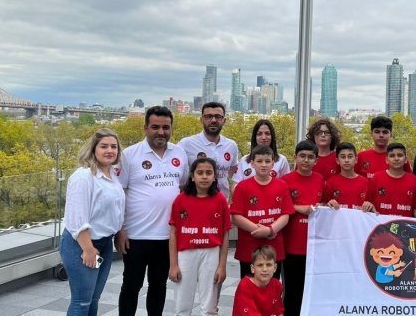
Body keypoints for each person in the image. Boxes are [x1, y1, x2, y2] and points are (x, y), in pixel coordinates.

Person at [116, 106, 189, 316]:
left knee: (158, 286)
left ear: (171, 128)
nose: (161, 132)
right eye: (155, 127)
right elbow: (119, 194)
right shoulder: (129, 155)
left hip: (167, 236)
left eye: (166, 127)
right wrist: (120, 230)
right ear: (145, 128)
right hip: (136, 235)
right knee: (131, 285)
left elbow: (183, 188)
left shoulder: (179, 153)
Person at [60, 129, 125, 316]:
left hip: (103, 244)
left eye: (113, 147)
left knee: (93, 299)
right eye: (104, 146)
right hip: (82, 245)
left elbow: (115, 210)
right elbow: (76, 217)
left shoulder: (112, 174)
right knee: (81, 302)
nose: (109, 151)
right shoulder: (84, 177)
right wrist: (88, 249)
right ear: (93, 149)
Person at [168, 158, 231, 316]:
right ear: (192, 176)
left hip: (211, 253)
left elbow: (225, 234)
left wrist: (222, 266)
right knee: (182, 303)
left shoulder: (220, 200)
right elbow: (173, 233)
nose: (204, 176)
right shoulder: (181, 199)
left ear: (215, 176)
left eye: (209, 173)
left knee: (209, 305)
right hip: (186, 254)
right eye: (200, 173)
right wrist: (173, 265)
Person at [230, 144, 295, 280]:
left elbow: (285, 215)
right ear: (252, 163)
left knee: (272, 286)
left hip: (274, 248)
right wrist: (258, 230)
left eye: (267, 161)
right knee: (249, 287)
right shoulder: (242, 187)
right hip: (249, 248)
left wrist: (270, 230)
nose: (263, 165)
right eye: (259, 161)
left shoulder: (281, 185)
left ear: (273, 163)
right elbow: (236, 216)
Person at [280, 140, 325, 316]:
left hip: (314, 246)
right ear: (295, 158)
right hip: (292, 246)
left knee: (311, 290)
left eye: (310, 157)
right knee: (292, 291)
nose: (306, 160)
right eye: (302, 156)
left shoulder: (320, 179)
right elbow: (280, 208)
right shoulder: (285, 181)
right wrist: (299, 208)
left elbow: (324, 203)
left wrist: (323, 206)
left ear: (316, 160)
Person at [178, 102, 239, 199]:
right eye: (208, 116)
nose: (213, 120)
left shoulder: (231, 145)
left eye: (218, 117)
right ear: (201, 120)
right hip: (194, 202)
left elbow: (235, 174)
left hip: (221, 203)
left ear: (224, 121)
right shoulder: (186, 144)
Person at [367, 142, 416, 218]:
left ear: (406, 159)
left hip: (404, 224)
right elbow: (370, 203)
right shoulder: (377, 177)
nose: (396, 159)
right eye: (392, 156)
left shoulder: (413, 179)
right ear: (387, 160)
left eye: (400, 155)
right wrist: (369, 207)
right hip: (382, 224)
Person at [232, 119, 291, 185]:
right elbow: (235, 185)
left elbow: (287, 185)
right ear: (255, 137)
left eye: (267, 133)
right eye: (259, 134)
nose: (263, 137)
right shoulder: (244, 160)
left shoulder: (282, 160)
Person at [232, 246, 285, 316]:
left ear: (275, 268)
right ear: (252, 268)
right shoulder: (245, 286)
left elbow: (279, 312)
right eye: (260, 265)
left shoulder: (277, 285)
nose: (265, 269)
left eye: (269, 265)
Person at [324, 142, 375, 212]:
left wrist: (370, 205)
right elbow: (324, 208)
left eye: (350, 156)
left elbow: (371, 206)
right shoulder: (331, 182)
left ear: (356, 160)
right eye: (343, 157)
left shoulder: (365, 182)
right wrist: (328, 204)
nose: (346, 160)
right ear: (337, 161)